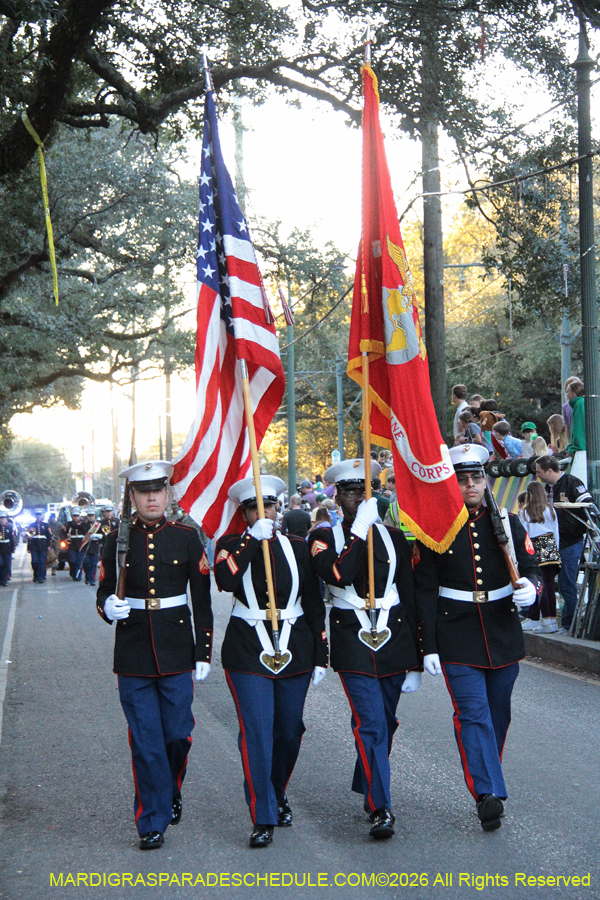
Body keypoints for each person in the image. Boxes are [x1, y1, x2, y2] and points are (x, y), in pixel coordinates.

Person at [413, 444, 541, 833]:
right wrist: (428, 646)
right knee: (473, 714)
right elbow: (424, 589)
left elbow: (535, 565)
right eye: (463, 479)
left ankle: (488, 775)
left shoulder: (507, 519)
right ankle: (487, 793)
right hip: (456, 632)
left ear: (485, 480)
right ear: (452, 483)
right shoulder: (436, 528)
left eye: (476, 478)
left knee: (498, 714)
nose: (470, 485)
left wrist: (532, 590)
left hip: (501, 629)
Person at [96, 460, 213, 851]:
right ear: (132, 497)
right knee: (146, 742)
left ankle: (169, 789)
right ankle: (151, 820)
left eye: (157, 490)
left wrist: (204, 651)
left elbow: (201, 599)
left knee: (177, 735)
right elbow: (104, 589)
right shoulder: (118, 538)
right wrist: (106, 607)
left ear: (167, 494)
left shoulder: (186, 537)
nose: (151, 497)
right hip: (132, 654)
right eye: (143, 491)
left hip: (177, 650)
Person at [308, 458, 423, 841]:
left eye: (366, 490)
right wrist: (358, 531)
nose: (359, 496)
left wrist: (420, 657)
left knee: (386, 723)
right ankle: (381, 807)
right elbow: (339, 574)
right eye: (351, 491)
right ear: (337, 497)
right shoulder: (324, 537)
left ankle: (368, 780)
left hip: (393, 636)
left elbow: (408, 593)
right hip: (351, 635)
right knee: (370, 722)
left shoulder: (395, 538)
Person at [214, 475, 328, 849]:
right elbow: (225, 582)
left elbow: (313, 601)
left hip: (295, 645)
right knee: (257, 732)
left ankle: (277, 791)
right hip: (248, 646)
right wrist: (250, 540)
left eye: (270, 506)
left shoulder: (298, 545)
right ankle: (262, 814)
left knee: (289, 731)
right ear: (244, 513)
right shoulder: (231, 544)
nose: (264, 513)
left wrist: (322, 655)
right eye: (254, 508)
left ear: (280, 508)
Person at [534, 454, 592, 632]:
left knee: (567, 584)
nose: (537, 475)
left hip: (569, 541)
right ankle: (546, 621)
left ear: (549, 471)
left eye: (539, 472)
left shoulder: (572, 483)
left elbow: (589, 506)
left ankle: (569, 626)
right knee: (544, 580)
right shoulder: (547, 487)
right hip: (548, 540)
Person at [519, 482, 561, 634]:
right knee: (549, 585)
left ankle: (541, 620)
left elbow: (525, 535)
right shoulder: (550, 510)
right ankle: (551, 620)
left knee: (538, 585)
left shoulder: (525, 513)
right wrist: (556, 549)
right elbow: (556, 532)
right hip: (550, 547)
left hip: (535, 549)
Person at [27, 509, 53, 583]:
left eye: (40, 515)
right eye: (37, 515)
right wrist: (29, 547)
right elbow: (29, 537)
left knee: (42, 562)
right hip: (34, 546)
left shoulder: (46, 525)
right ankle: (36, 574)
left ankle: (41, 576)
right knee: (35, 562)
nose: (38, 516)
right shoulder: (32, 525)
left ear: (42, 516)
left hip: (43, 545)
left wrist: (49, 545)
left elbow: (49, 536)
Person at [64, 508, 89, 581]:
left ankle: (78, 576)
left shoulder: (84, 524)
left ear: (80, 516)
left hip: (81, 545)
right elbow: (65, 533)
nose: (75, 517)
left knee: (79, 561)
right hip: (72, 545)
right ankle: (73, 572)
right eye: (74, 516)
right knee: (72, 560)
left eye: (77, 516)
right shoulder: (68, 524)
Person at [82, 509, 103, 586]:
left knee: (94, 564)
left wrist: (97, 536)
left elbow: (102, 535)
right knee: (86, 563)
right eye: (89, 516)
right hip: (86, 547)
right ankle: (87, 577)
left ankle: (92, 579)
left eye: (92, 516)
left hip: (95, 546)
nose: (91, 517)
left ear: (94, 516)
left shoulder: (98, 525)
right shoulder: (84, 525)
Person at [565, 380, 585, 454]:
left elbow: (578, 428)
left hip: (580, 450)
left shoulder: (579, 404)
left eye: (568, 392)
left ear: (573, 393)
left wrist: (574, 449)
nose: (566, 395)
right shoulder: (579, 403)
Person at [0, 512, 16, 587]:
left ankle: (4, 580)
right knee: (1, 564)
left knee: (6, 565)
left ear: (6, 519)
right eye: (1, 518)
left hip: (7, 548)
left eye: (4, 518)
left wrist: (12, 548)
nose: (2, 520)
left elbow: (12, 538)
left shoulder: (9, 527)